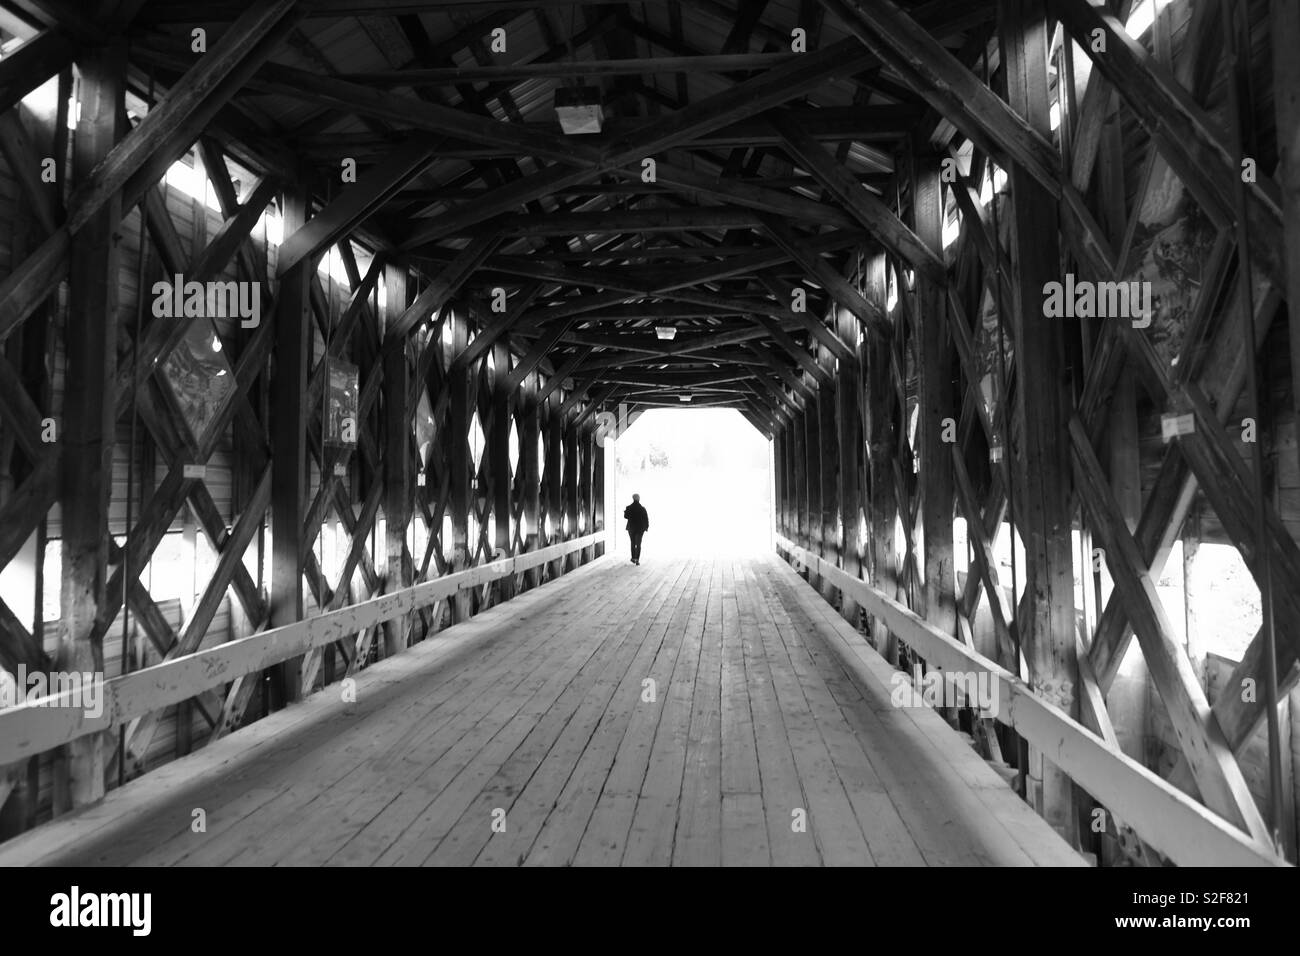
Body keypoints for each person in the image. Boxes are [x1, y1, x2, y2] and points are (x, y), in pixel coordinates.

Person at [623, 494, 649, 565]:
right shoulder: (642, 508)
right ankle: (637, 559)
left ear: (633, 498)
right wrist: (646, 527)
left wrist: (625, 512)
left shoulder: (628, 507)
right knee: (638, 544)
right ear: (639, 499)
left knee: (632, 543)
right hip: (640, 528)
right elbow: (646, 518)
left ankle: (633, 558)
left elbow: (626, 517)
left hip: (631, 527)